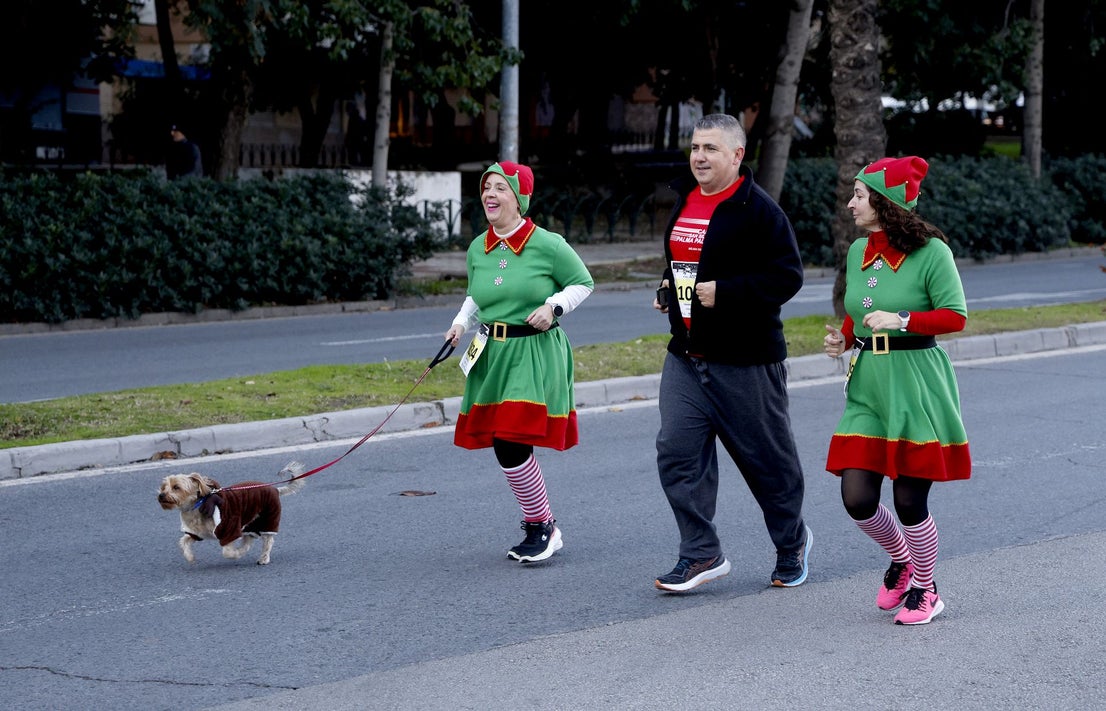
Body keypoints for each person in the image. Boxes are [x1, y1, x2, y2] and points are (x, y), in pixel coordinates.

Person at [652, 113, 812, 593]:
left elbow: (788, 276)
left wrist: (728, 292)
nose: (699, 156)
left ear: (737, 155)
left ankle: (791, 544)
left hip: (745, 360)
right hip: (686, 355)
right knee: (676, 452)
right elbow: (685, 261)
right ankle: (701, 554)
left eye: (711, 149)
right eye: (696, 147)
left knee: (768, 462)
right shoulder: (686, 199)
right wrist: (669, 286)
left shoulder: (759, 210)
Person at [822, 155, 971, 625]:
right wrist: (844, 337)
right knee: (858, 498)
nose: (850, 204)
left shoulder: (932, 253)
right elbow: (857, 308)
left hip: (916, 382)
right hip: (868, 382)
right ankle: (904, 561)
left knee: (910, 500)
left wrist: (902, 320)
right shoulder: (857, 252)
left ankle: (927, 589)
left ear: (886, 204)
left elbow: (955, 316)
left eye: (860, 196)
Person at [444, 161, 594, 562]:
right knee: (502, 441)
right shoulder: (479, 247)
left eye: (501, 188)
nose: (490, 195)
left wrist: (554, 307)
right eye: (486, 188)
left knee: (510, 438)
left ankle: (542, 527)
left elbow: (583, 282)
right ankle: (541, 523)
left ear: (519, 198)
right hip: (492, 351)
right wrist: (460, 324)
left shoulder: (549, 244)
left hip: (534, 351)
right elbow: (478, 295)